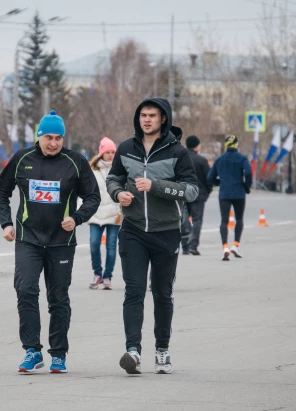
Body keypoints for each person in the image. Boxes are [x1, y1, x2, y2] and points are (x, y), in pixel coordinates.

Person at [0, 110, 100, 374]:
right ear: (39, 136)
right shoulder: (22, 159)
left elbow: (93, 197)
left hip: (61, 241)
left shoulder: (75, 162)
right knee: (26, 290)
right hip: (28, 239)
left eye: (58, 138)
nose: (53, 143)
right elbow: (1, 192)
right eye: (49, 137)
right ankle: (32, 350)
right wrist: (6, 223)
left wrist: (76, 218)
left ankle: (59, 354)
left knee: (58, 298)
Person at [106, 98, 199, 375]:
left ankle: (162, 350)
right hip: (133, 229)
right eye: (143, 115)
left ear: (163, 119)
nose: (147, 119)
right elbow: (113, 178)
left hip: (166, 232)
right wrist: (117, 193)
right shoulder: (125, 148)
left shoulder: (177, 152)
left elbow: (191, 190)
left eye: (152, 116)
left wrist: (156, 186)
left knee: (162, 293)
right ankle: (133, 351)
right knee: (133, 291)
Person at [207, 135, 252, 261]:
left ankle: (225, 247)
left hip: (224, 193)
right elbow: (248, 173)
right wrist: (246, 186)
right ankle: (236, 245)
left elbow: (210, 177)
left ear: (226, 145)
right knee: (239, 219)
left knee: (224, 221)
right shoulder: (242, 158)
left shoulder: (220, 159)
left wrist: (220, 183)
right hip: (239, 193)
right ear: (237, 144)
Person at [86, 137, 122, 290]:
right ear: (101, 153)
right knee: (94, 244)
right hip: (96, 213)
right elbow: (85, 191)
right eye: (107, 152)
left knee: (111, 247)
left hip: (114, 214)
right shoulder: (92, 170)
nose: (110, 155)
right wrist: (83, 210)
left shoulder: (120, 169)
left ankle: (107, 276)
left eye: (113, 152)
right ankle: (97, 274)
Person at [180, 136, 213, 256]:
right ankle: (193, 246)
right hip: (199, 194)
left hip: (183, 193)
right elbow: (208, 179)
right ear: (196, 146)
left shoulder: (181, 158)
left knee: (183, 220)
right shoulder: (201, 160)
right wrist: (207, 192)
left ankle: (185, 246)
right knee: (197, 220)